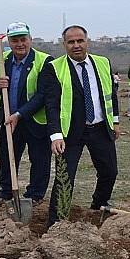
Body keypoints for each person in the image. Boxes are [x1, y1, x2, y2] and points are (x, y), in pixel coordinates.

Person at [43, 25, 120, 227]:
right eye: (71, 42)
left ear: (87, 41)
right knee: (64, 178)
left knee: (109, 171)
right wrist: (55, 135)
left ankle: (98, 206)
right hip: (70, 133)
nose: (76, 45)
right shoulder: (54, 67)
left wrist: (116, 121)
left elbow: (110, 93)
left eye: (80, 41)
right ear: (64, 45)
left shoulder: (103, 63)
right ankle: (56, 222)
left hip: (100, 128)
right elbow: (51, 105)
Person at [0, 22, 53, 207]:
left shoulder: (44, 61)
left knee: (39, 159)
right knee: (8, 158)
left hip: (35, 120)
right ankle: (6, 193)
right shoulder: (3, 58)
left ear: (30, 39)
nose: (20, 44)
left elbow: (43, 95)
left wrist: (20, 114)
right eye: (15, 40)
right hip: (8, 119)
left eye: (23, 39)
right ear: (9, 42)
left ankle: (35, 195)